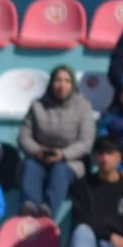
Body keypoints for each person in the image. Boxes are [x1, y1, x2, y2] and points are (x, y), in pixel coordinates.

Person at [17, 65, 96, 220]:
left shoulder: (83, 107)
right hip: (40, 158)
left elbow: (86, 142)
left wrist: (63, 154)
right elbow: (23, 137)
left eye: (67, 81)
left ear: (73, 84)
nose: (62, 85)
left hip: (70, 161)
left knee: (60, 170)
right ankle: (29, 209)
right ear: (51, 83)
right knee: (30, 166)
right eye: (58, 80)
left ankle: (47, 212)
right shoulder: (37, 106)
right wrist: (37, 151)